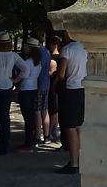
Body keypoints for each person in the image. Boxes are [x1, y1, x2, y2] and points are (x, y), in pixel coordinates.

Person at [55, 29, 87, 174]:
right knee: (79, 125)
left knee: (69, 127)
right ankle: (81, 159)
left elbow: (61, 73)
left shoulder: (67, 50)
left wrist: (55, 84)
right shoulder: (85, 47)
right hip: (82, 88)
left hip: (70, 89)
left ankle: (73, 162)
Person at [17, 37, 42, 152]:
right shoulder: (38, 62)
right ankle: (30, 140)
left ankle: (28, 143)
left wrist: (14, 80)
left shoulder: (27, 62)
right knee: (30, 116)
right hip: (34, 89)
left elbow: (23, 75)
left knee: (27, 117)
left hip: (26, 90)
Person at [35, 34, 52, 145]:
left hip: (38, 83)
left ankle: (37, 136)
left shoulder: (37, 53)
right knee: (44, 109)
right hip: (46, 83)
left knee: (37, 110)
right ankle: (46, 135)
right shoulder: (47, 52)